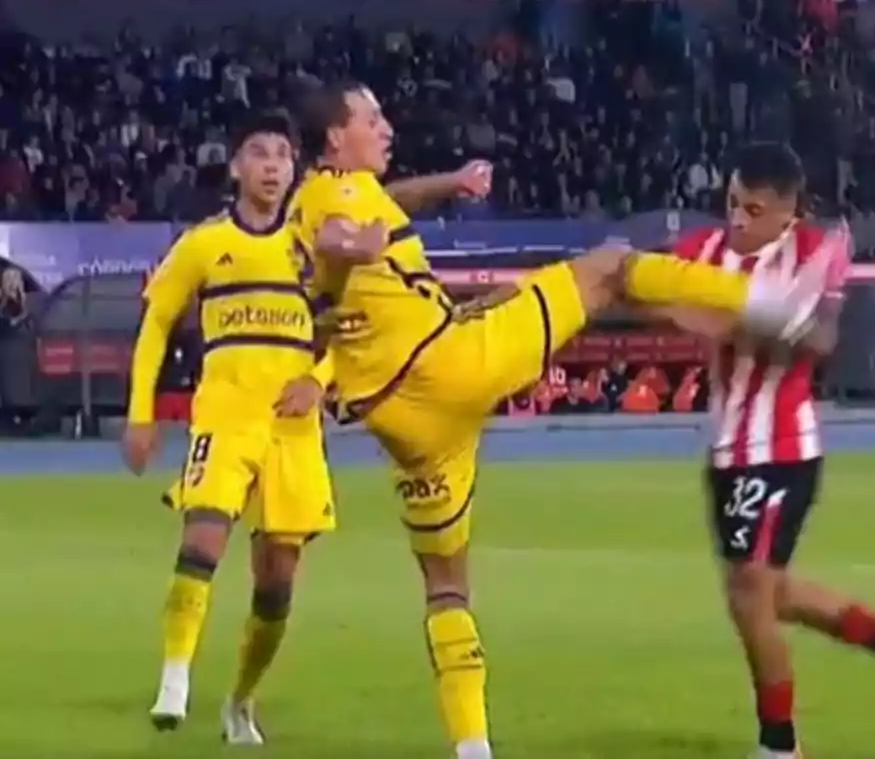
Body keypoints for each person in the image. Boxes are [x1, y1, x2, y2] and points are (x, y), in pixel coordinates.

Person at [286, 81, 823, 759]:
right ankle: (770, 299)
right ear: (336, 138)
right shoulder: (331, 197)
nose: (386, 126)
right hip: (449, 367)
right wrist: (354, 247)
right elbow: (339, 233)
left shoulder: (347, 196)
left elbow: (381, 212)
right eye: (372, 117)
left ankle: (472, 747)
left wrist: (451, 182)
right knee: (612, 266)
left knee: (446, 585)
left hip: (408, 422)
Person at [652, 143, 875, 759]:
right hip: (727, 452)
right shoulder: (702, 251)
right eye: (731, 203)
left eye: (752, 209)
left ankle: (778, 745)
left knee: (747, 593)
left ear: (786, 211)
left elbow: (819, 338)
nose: (737, 219)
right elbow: (660, 298)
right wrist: (724, 312)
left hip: (782, 448)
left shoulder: (813, 252)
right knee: (775, 596)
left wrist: (736, 316)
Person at [122, 110, 337, 744]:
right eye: (260, 153)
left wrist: (318, 379)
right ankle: (175, 676)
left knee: (276, 584)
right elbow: (156, 321)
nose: (273, 165)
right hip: (224, 415)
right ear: (237, 166)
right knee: (203, 542)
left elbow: (346, 331)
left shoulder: (314, 248)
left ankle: (240, 701)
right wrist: (141, 414)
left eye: (282, 155)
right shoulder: (203, 243)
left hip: (292, 432)